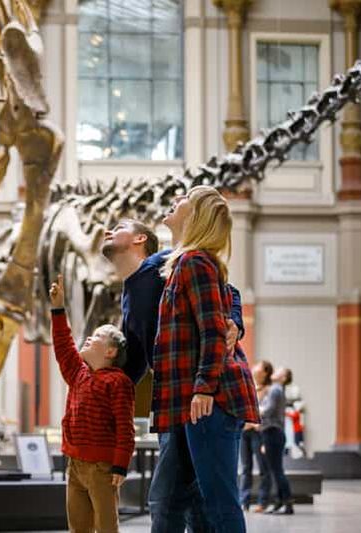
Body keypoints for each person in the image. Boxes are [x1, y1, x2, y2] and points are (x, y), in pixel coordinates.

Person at [101, 218, 245, 533]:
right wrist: (101, 393)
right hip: (172, 402)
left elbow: (227, 289)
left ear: (140, 239)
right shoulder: (129, 293)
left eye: (120, 227)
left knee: (167, 500)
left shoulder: (163, 263)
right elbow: (136, 362)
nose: (108, 230)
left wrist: (235, 321)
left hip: (196, 395)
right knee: (191, 502)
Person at [153, 186, 259, 533]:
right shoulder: (190, 262)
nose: (177, 199)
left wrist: (203, 387)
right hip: (198, 400)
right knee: (209, 503)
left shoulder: (195, 262)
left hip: (210, 400)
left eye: (186, 197)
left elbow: (213, 331)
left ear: (197, 214)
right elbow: (225, 306)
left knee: (220, 504)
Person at [49, 274, 134, 533]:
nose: (89, 337)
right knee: (78, 526)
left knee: (106, 526)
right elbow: (63, 347)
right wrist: (58, 309)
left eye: (97, 336)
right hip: (75, 465)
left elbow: (125, 427)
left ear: (110, 351)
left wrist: (120, 465)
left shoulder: (118, 382)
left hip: (102, 469)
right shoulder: (78, 373)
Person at [259, 365, 294, 515]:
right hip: (273, 433)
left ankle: (287, 502)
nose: (275, 372)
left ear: (284, 378)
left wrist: (255, 411)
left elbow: (268, 409)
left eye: (280, 371)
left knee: (277, 470)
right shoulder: (276, 389)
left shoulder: (275, 389)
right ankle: (280, 501)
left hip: (272, 432)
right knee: (275, 470)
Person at [239, 361, 272, 513]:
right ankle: (244, 502)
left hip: (259, 433)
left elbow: (268, 412)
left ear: (265, 372)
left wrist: (254, 423)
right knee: (245, 468)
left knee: (263, 468)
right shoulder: (249, 385)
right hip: (244, 431)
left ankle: (263, 502)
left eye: (259, 366)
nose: (255, 368)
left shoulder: (269, 391)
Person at [277, 368, 307, 458]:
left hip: (292, 422)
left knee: (293, 439)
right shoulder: (276, 389)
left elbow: (297, 412)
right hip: (282, 421)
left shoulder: (293, 390)